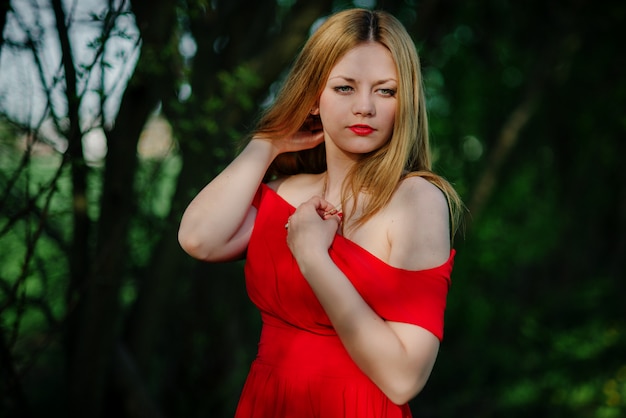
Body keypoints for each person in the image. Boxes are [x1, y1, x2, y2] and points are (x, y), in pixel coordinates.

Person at [178, 7, 463, 418]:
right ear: (313, 95)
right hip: (268, 403)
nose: (364, 107)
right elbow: (198, 238)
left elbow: (404, 379)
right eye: (345, 88)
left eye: (386, 91)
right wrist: (267, 144)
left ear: (406, 102)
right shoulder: (282, 194)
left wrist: (312, 257)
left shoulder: (417, 200)